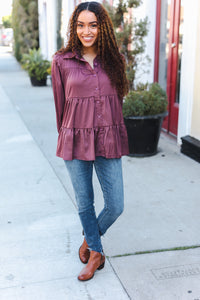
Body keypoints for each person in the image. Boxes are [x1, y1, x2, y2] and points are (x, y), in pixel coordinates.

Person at [51, 1, 129, 281]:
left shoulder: (115, 61)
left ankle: (88, 240)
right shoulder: (62, 61)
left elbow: (117, 102)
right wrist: (66, 136)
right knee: (85, 202)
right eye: (81, 25)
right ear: (74, 28)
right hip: (74, 139)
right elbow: (60, 106)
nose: (87, 31)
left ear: (102, 27)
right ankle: (95, 253)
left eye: (93, 25)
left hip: (108, 138)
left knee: (116, 204)